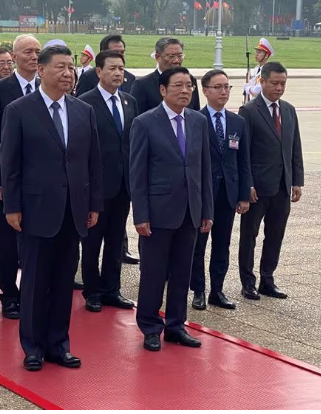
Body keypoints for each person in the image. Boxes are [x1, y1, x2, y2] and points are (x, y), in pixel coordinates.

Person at [1, 44, 102, 371]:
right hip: (34, 211)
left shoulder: (83, 110)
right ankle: (32, 347)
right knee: (33, 282)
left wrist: (93, 203)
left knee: (62, 281)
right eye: (60, 67)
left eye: (70, 68)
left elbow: (92, 163)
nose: (67, 73)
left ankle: (59, 344)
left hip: (73, 210)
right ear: (41, 70)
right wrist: (12, 206)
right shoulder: (19, 110)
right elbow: (10, 163)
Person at [130, 66, 213, 352]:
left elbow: (204, 168)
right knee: (154, 273)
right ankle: (151, 326)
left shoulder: (198, 121)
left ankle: (177, 326)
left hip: (190, 210)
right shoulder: (144, 123)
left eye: (189, 86)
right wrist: (140, 215)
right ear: (163, 90)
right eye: (178, 85)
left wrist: (207, 210)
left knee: (182, 272)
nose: (185, 91)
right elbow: (137, 173)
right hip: (158, 212)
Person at [0, 34, 41, 319]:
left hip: (39, 178)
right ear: (14, 57)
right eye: (28, 52)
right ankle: (9, 294)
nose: (33, 56)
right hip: (8, 179)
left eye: (37, 52)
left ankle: (33, 290)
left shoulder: (46, 88)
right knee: (8, 238)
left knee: (36, 237)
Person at [238, 62, 304, 301]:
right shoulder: (249, 111)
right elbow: (243, 153)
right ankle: (248, 282)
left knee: (275, 235)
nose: (278, 88)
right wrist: (248, 185)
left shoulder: (288, 110)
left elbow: (294, 147)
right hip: (258, 188)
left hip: (282, 186)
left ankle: (268, 278)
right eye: (274, 83)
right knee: (249, 236)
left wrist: (297, 180)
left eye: (283, 84)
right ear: (262, 82)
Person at [77, 50, 137, 312]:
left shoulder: (129, 102)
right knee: (92, 241)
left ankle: (112, 288)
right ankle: (92, 291)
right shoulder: (84, 102)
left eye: (121, 69)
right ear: (98, 72)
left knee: (116, 240)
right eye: (112, 68)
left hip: (123, 184)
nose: (117, 73)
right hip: (96, 185)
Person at [190, 70, 251, 311]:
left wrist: (244, 195)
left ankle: (217, 290)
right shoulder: (194, 120)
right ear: (205, 91)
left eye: (227, 87)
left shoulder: (238, 122)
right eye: (218, 87)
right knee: (198, 245)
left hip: (228, 193)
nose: (223, 91)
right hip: (203, 194)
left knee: (222, 244)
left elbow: (243, 161)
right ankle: (198, 290)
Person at [130, 37, 200, 116]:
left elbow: (195, 113)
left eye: (180, 56)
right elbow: (135, 118)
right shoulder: (142, 85)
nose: (176, 61)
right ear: (157, 57)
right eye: (171, 56)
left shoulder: (190, 81)